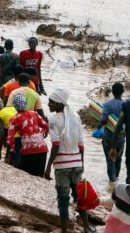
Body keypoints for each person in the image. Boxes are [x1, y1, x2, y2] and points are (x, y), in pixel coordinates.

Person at [43, 88, 90, 233]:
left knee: (63, 201)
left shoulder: (53, 120)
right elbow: (81, 144)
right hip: (76, 164)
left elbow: (55, 146)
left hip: (62, 167)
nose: (49, 104)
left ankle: (64, 231)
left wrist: (48, 167)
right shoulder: (75, 116)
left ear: (59, 104)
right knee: (79, 198)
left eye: (51, 102)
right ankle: (87, 228)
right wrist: (81, 163)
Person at [7, 94, 49, 177]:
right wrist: (43, 132)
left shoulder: (14, 119)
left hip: (28, 151)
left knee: (25, 175)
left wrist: (11, 152)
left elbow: (9, 139)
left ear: (14, 105)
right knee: (39, 176)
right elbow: (46, 125)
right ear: (25, 103)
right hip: (42, 149)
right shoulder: (34, 113)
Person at [98, 82, 125, 191]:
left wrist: (98, 125)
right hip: (121, 138)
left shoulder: (108, 104)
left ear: (112, 92)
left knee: (110, 160)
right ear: (122, 92)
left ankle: (112, 182)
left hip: (109, 137)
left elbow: (104, 120)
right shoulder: (126, 104)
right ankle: (116, 182)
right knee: (118, 159)